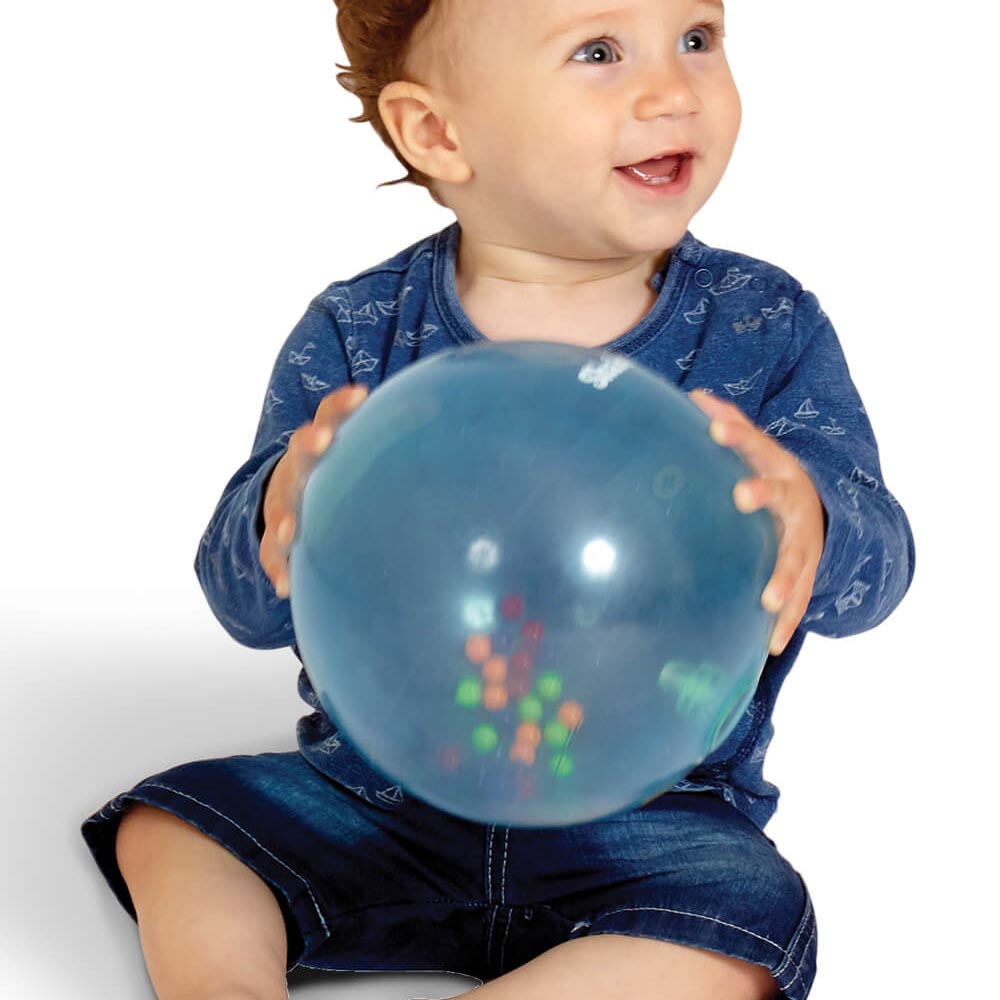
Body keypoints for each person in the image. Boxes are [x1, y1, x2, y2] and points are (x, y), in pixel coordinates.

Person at [81, 1, 915, 998]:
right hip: (382, 797)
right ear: (437, 131)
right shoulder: (358, 332)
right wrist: (280, 510)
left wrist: (814, 516)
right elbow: (245, 608)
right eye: (599, 51)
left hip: (653, 817)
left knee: (751, 914)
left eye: (696, 37)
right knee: (172, 821)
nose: (671, 89)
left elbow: (877, 575)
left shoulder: (764, 326)